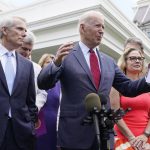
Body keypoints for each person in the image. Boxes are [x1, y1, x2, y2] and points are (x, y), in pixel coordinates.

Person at [37, 11, 150, 150]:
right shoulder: (66, 55)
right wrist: (56, 63)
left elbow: (128, 88)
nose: (102, 31)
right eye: (98, 26)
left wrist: (148, 78)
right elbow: (43, 83)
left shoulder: (109, 61)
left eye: (103, 27)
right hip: (74, 134)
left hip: (104, 134)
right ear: (82, 28)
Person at [0, 16, 38, 150]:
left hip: (21, 134)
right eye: (20, 29)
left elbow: (31, 102)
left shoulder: (27, 66)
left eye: (25, 30)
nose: (24, 33)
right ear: (4, 30)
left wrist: (30, 126)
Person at [110, 48, 150, 150]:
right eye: (132, 58)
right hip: (123, 138)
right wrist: (132, 138)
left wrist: (145, 135)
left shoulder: (147, 84)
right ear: (125, 62)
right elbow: (115, 114)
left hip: (146, 138)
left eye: (140, 58)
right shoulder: (116, 84)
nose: (137, 61)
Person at [16, 31, 47, 112]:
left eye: (30, 50)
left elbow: (42, 92)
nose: (27, 53)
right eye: (24, 49)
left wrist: (35, 108)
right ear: (16, 45)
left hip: (27, 116)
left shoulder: (36, 68)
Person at [36, 53, 61, 150]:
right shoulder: (36, 80)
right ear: (42, 65)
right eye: (48, 62)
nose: (51, 64)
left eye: (53, 63)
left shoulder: (59, 83)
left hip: (55, 123)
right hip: (39, 121)